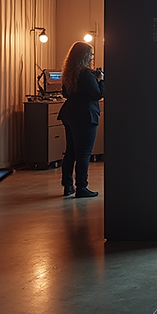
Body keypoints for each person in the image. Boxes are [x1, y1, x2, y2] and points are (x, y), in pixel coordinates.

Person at [57, 41, 104, 198]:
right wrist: (101, 80)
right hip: (85, 115)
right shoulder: (85, 73)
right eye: (90, 55)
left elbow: (66, 94)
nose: (92, 57)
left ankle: (68, 185)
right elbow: (97, 94)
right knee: (84, 153)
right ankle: (82, 187)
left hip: (69, 113)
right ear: (85, 56)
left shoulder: (69, 72)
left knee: (70, 151)